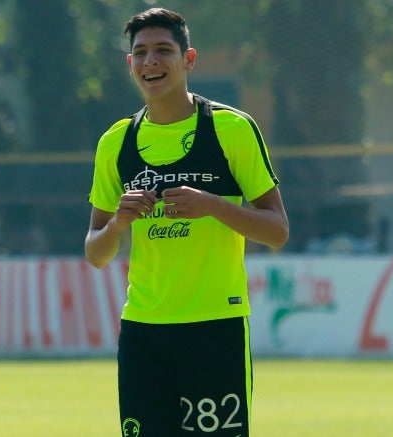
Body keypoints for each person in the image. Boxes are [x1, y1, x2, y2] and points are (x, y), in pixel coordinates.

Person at [85, 8, 289, 436]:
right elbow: (95, 252)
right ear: (130, 65)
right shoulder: (115, 143)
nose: (150, 62)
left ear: (188, 59)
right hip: (143, 332)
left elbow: (277, 230)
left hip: (215, 326)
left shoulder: (231, 129)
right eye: (140, 53)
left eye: (163, 50)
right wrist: (119, 224)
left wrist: (213, 205)